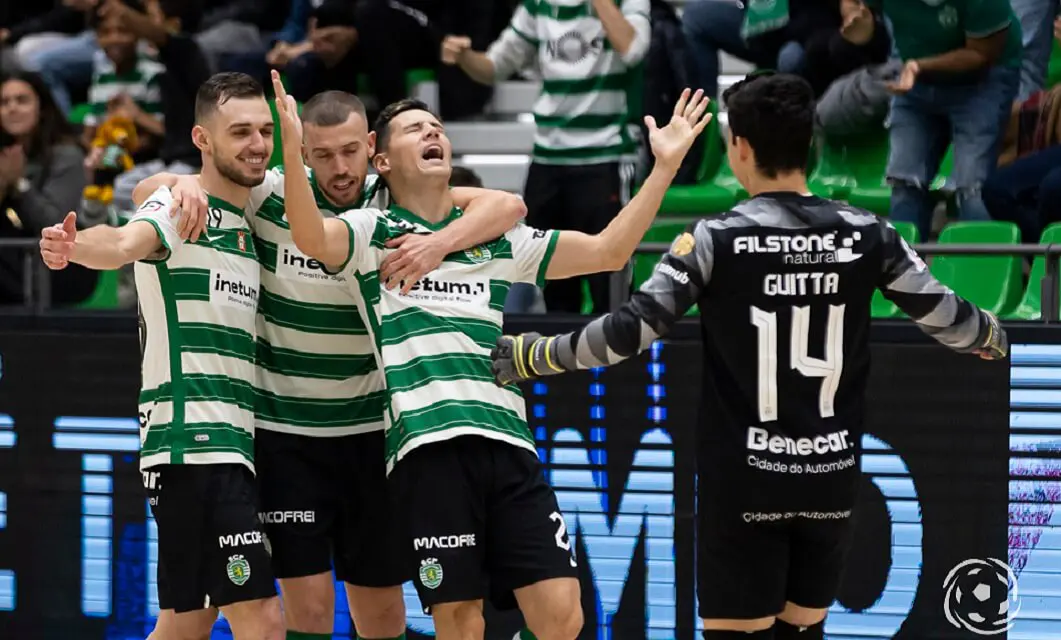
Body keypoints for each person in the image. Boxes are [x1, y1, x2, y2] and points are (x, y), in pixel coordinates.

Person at [489, 73, 1009, 640]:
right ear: (810, 141)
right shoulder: (869, 233)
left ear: (739, 147)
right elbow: (953, 320)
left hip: (745, 483)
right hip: (828, 479)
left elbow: (626, 333)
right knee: (802, 631)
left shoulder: (715, 238)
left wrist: (533, 355)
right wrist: (993, 337)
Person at [272, 70, 711, 639]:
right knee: (460, 621)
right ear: (382, 160)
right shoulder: (371, 231)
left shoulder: (495, 238)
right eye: (413, 129)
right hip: (427, 451)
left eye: (436, 127)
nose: (432, 133)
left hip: (508, 443)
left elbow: (608, 251)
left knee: (562, 616)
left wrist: (665, 168)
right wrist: (290, 146)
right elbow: (312, 238)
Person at [132, 85, 529, 640]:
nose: (339, 168)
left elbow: (505, 205)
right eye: (320, 155)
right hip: (285, 435)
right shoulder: (270, 193)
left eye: (350, 152)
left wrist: (437, 245)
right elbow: (158, 190)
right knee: (308, 613)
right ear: (301, 152)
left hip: (370, 431)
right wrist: (172, 184)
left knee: (384, 615)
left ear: (372, 146)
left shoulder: (390, 197)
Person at [38, 72, 284, 640]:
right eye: (240, 131)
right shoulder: (177, 210)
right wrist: (75, 247)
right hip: (193, 443)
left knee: (185, 623)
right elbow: (125, 243)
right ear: (203, 139)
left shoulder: (246, 218)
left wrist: (172, 176)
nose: (256, 144)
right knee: (262, 622)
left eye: (264, 131)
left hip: (227, 444)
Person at [441, 0, 650, 314]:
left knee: (610, 283)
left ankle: (615, 362)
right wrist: (464, 56)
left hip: (604, 156)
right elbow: (496, 67)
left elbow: (633, 49)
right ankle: (562, 361)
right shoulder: (537, 6)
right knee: (553, 283)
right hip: (547, 159)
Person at [0, 69, 96, 306]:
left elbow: (55, 223)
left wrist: (19, 184)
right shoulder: (4, 157)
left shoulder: (67, 155)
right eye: (4, 102)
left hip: (63, 267)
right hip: (15, 262)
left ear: (41, 108)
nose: (12, 108)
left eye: (22, 100)